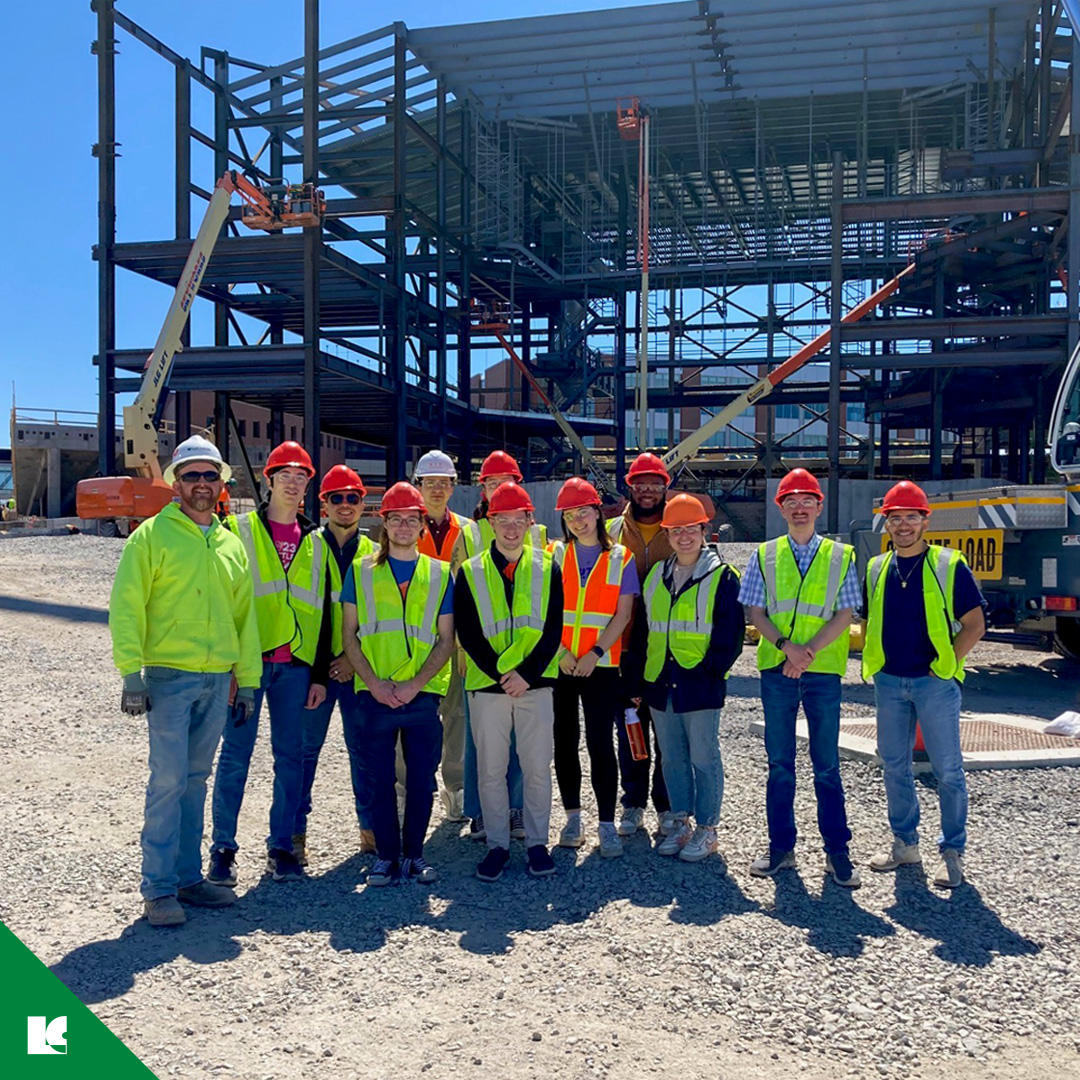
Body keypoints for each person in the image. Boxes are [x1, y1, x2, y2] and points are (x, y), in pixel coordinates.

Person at [109, 436, 261, 926]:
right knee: (169, 780)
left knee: (196, 780)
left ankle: (188, 879)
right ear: (176, 482)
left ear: (222, 484)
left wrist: (248, 678)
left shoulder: (230, 544)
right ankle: (157, 889)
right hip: (170, 678)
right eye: (191, 475)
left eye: (209, 475)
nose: (201, 484)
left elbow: (245, 617)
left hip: (218, 680)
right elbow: (127, 607)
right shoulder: (151, 537)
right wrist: (131, 674)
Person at [208, 441, 330, 886]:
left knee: (290, 758)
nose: (294, 482)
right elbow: (222, 603)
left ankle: (281, 847)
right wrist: (227, 668)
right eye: (286, 474)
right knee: (235, 756)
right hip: (249, 666)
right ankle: (223, 848)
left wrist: (318, 673)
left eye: (302, 475)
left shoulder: (316, 541)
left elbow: (327, 610)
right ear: (268, 478)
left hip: (296, 670)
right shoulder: (237, 530)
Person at [740, 468, 862, 887]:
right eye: (790, 500)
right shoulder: (764, 555)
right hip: (778, 669)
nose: (798, 506)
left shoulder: (840, 555)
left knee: (826, 766)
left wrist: (805, 654)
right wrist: (786, 648)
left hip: (821, 671)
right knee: (780, 765)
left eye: (806, 499)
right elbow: (755, 613)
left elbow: (845, 615)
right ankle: (781, 849)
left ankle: (837, 853)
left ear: (818, 506)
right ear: (781, 508)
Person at [863, 480, 985, 889]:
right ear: (887, 523)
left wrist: (946, 666)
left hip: (935, 685)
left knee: (947, 770)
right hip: (890, 681)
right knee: (894, 766)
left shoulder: (950, 565)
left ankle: (952, 852)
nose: (903, 526)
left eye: (910, 518)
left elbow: (975, 624)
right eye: (895, 519)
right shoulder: (877, 568)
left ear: (924, 521)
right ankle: (905, 844)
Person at [341, 482, 455, 885]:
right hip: (374, 695)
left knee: (422, 779)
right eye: (396, 519)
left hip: (421, 695)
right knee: (378, 779)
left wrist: (414, 684)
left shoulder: (440, 575)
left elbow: (446, 639)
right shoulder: (362, 571)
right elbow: (349, 635)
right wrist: (373, 683)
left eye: (412, 519)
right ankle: (387, 857)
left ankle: (415, 856)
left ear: (423, 525)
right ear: (384, 524)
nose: (404, 526)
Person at [455, 481, 564, 882]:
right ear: (491, 521)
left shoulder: (547, 566)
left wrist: (526, 675)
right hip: (489, 686)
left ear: (530, 521)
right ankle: (498, 845)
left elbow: (554, 629)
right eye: (503, 520)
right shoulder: (470, 572)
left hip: (535, 685)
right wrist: (504, 677)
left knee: (536, 768)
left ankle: (537, 843)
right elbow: (468, 633)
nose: (512, 528)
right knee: (491, 769)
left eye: (519, 520)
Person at [628, 494, 743, 863]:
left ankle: (708, 829)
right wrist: (639, 680)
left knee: (704, 758)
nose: (683, 537)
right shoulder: (657, 578)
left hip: (700, 683)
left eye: (690, 529)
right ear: (668, 534)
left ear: (703, 530)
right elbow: (645, 633)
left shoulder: (722, 577)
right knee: (672, 759)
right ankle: (681, 823)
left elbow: (730, 636)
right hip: (660, 682)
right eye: (676, 531)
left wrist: (712, 672)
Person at [292, 464, 377, 865]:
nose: (345, 505)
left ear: (363, 504)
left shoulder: (374, 555)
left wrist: (351, 660)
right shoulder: (308, 547)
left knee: (363, 752)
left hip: (357, 671)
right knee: (305, 752)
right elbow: (305, 616)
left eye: (353, 498)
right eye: (337, 498)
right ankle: (294, 835)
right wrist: (323, 668)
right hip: (316, 674)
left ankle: (371, 833)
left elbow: (378, 621)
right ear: (323, 504)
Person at [550, 477, 638, 858]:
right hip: (562, 663)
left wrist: (595, 653)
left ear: (597, 512)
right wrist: (562, 653)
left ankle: (605, 823)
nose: (577, 520)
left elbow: (623, 614)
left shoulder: (621, 557)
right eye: (569, 515)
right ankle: (572, 817)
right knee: (564, 743)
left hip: (601, 666)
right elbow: (543, 611)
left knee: (601, 743)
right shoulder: (553, 554)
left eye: (583, 512)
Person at [453, 450, 530, 843]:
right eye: (491, 482)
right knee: (479, 739)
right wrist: (466, 653)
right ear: (481, 490)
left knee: (517, 738)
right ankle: (481, 812)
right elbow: (459, 599)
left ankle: (515, 809)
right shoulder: (468, 534)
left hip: (522, 656)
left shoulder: (536, 532)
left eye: (506, 481)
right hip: (482, 657)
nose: (499, 488)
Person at [606, 452, 674, 837]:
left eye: (655, 483)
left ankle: (666, 805)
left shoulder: (678, 526)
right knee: (630, 726)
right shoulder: (612, 531)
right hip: (625, 647)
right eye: (641, 482)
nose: (648, 490)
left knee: (665, 730)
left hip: (666, 648)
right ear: (630, 486)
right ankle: (633, 803)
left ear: (665, 486)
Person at [414, 449, 470, 822]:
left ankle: (456, 788)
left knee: (456, 715)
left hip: (458, 638)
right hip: (415, 640)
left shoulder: (468, 531)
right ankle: (408, 790)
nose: (436, 489)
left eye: (443, 482)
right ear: (418, 485)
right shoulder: (402, 524)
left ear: (453, 486)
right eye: (429, 482)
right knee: (415, 717)